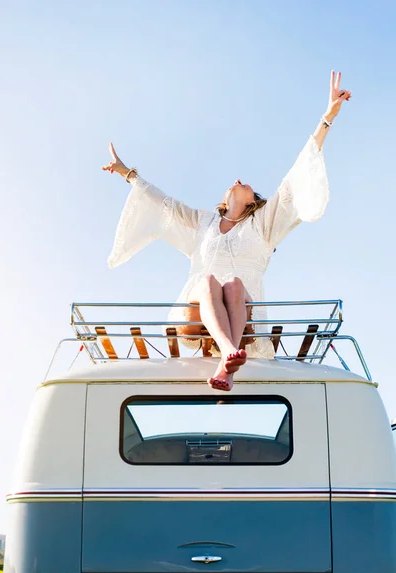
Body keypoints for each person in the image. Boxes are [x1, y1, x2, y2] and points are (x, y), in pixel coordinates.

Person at [103, 70, 351, 392]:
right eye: (235, 183)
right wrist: (128, 174)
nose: (239, 180)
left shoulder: (263, 223)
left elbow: (296, 174)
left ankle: (227, 362)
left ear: (254, 201)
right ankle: (228, 352)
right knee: (208, 281)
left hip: (242, 318)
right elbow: (163, 204)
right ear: (224, 199)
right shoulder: (203, 222)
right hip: (194, 317)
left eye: (247, 184)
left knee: (233, 284)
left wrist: (327, 117)